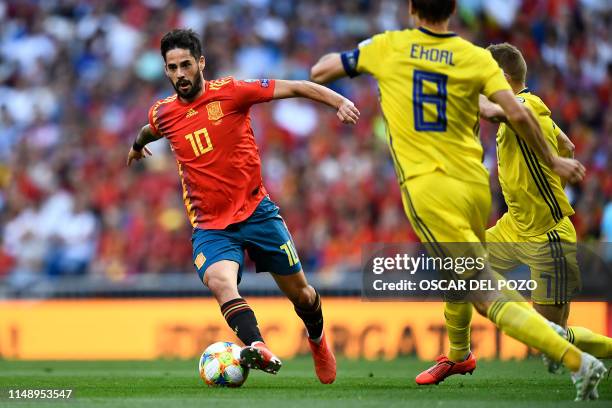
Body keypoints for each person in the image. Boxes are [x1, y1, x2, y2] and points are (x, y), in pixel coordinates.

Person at [310, 0, 605, 400]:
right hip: (491, 204)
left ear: (413, 9)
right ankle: (459, 353)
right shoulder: (470, 57)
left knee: (529, 320)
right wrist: (556, 156)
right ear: (452, 9)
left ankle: (579, 360)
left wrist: (555, 161)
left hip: (537, 229)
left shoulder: (391, 46)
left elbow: (321, 70)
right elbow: (512, 115)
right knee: (458, 273)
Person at [127, 28, 360, 384]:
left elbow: (297, 86)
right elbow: (150, 129)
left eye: (186, 65)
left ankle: (316, 340)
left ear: (201, 62)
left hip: (257, 213)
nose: (179, 75)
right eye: (172, 68)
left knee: (303, 295)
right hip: (210, 225)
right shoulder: (164, 113)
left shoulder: (233, 92)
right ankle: (258, 345)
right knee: (221, 281)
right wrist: (135, 144)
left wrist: (338, 102)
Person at [477, 43, 612, 375]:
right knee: (463, 268)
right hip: (516, 226)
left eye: (486, 76)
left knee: (550, 340)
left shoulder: (523, 104)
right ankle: (463, 347)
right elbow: (567, 144)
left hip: (546, 235)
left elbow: (495, 112)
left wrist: (462, 91)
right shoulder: (531, 108)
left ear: (504, 78)